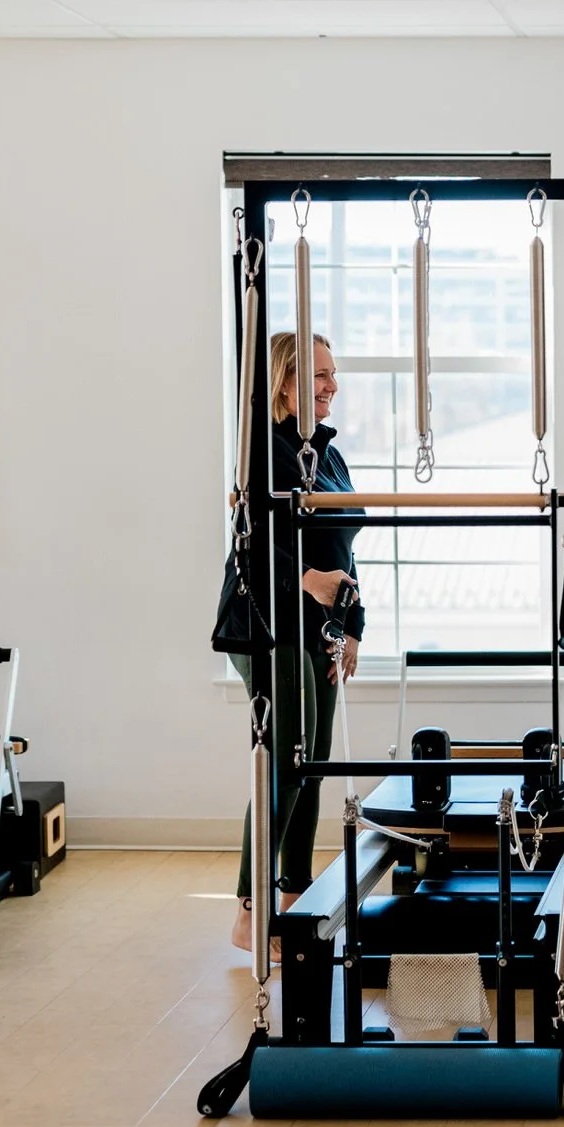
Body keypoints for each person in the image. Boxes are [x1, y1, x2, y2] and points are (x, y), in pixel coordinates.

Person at [212, 332, 364, 954]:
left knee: (314, 763)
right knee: (286, 762)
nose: (332, 386)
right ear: (283, 383)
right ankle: (250, 913)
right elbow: (252, 548)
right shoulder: (263, 452)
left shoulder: (330, 455)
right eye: (319, 376)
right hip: (264, 623)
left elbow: (345, 548)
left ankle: (295, 901)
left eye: (333, 374)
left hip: (317, 625)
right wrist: (308, 580)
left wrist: (352, 626)